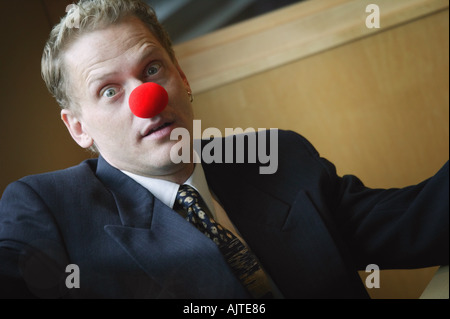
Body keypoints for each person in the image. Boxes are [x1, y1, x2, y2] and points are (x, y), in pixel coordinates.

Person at [0, 0, 448, 299]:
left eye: (152, 68)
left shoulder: (276, 159)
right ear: (78, 128)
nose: (146, 97)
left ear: (183, 79)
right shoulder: (48, 210)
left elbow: (420, 221)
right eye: (110, 91)